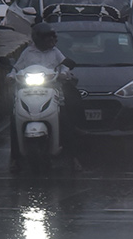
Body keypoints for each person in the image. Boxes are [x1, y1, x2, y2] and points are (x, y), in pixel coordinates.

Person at [9, 23, 80, 166]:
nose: (51, 41)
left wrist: (64, 74)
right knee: (13, 120)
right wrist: (10, 76)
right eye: (48, 38)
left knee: (66, 123)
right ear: (38, 39)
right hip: (29, 92)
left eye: (52, 38)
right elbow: (17, 68)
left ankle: (73, 158)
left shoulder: (55, 53)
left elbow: (65, 66)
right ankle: (15, 158)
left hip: (53, 93)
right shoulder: (27, 53)